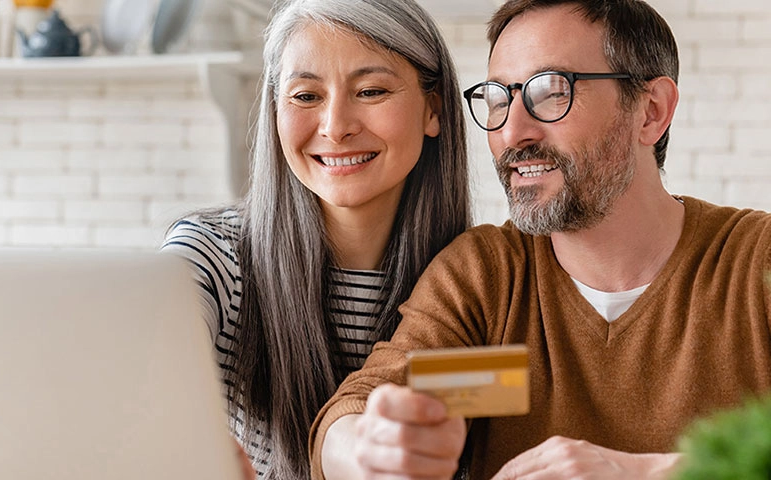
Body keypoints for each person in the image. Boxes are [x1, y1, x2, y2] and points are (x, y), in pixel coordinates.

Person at [310, 0, 771, 479]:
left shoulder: (758, 261)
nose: (512, 132)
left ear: (651, 112)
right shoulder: (487, 277)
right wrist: (369, 447)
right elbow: (356, 410)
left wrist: (647, 472)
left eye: (550, 93)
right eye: (498, 98)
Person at [161, 0, 471, 477]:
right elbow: (141, 373)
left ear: (434, 109)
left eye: (370, 90)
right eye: (305, 96)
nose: (335, 126)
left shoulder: (475, 283)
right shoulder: (214, 257)